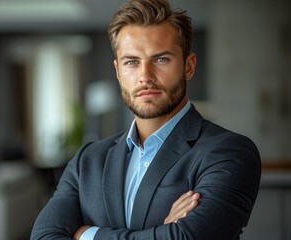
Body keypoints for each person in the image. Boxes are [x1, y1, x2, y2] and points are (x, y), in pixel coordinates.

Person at [31, 0, 261, 239]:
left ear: (189, 66)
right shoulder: (87, 161)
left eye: (161, 59)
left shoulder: (228, 152)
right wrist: (162, 232)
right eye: (132, 62)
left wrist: (86, 235)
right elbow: (44, 236)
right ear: (118, 71)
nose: (145, 76)